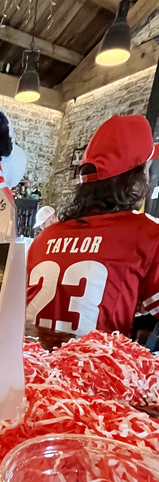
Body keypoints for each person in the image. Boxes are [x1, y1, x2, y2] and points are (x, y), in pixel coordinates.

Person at [26, 115, 159, 337]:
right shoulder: (147, 235)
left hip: (30, 358)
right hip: (95, 359)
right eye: (147, 168)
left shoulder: (45, 237)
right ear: (135, 177)